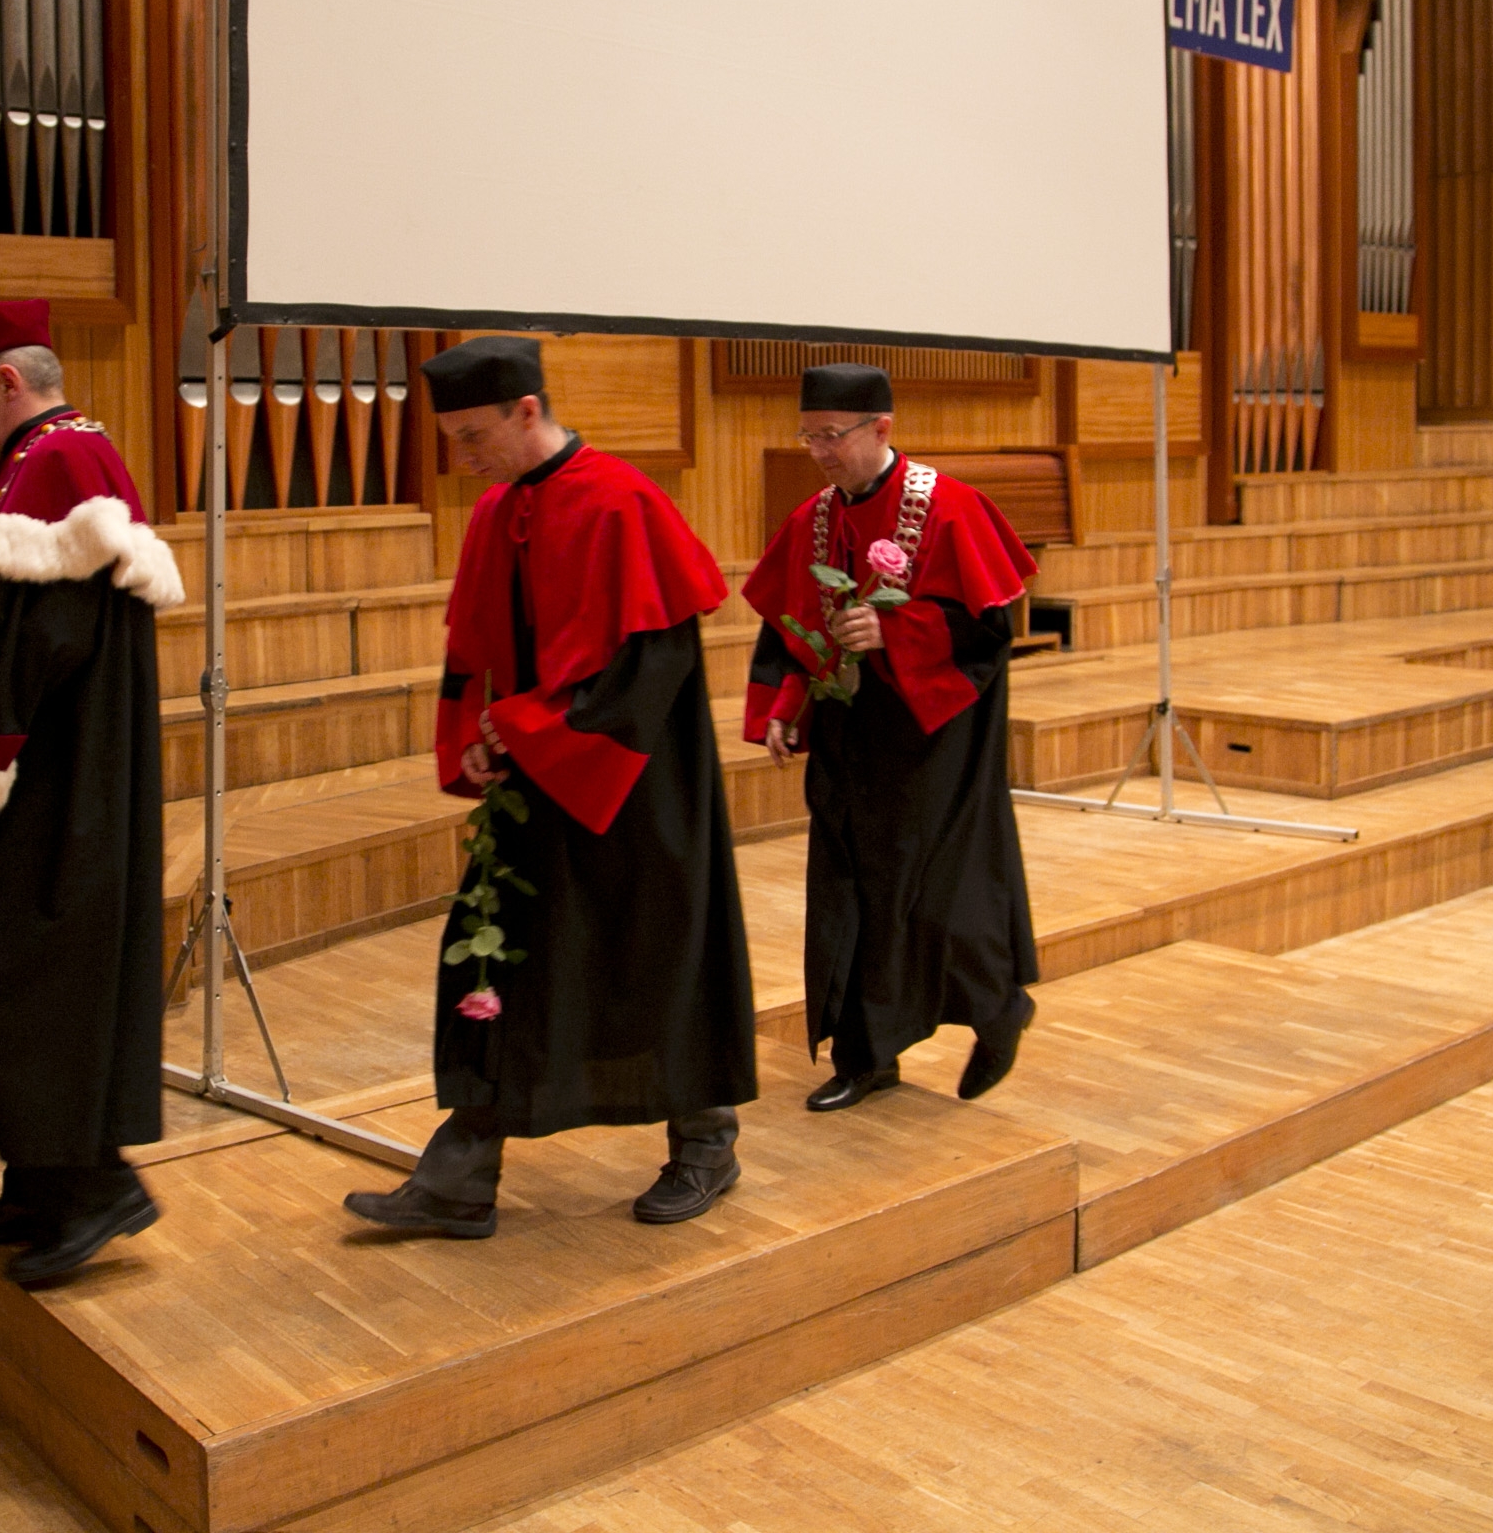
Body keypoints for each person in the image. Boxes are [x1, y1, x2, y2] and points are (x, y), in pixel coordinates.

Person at [344, 337, 757, 1236]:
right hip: (535, 778)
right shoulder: (498, 509)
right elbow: (472, 651)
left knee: (658, 952)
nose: (463, 458)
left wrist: (528, 731)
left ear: (527, 410)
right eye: (452, 439)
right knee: (496, 957)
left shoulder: (622, 500)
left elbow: (653, 670)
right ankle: (458, 1178)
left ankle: (706, 1141)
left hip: (636, 788)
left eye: (473, 436)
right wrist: (474, 738)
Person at [0, 298, 179, 1284]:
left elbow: (41, 637)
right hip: (57, 762)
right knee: (5, 964)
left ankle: (91, 1187)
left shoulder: (59, 463)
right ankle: (39, 1183)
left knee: (18, 967)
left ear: (7, 381)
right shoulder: (51, 457)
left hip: (52, 777)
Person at [741, 364, 1041, 1110]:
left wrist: (896, 631)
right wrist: (782, 706)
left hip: (932, 737)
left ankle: (997, 1006)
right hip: (848, 735)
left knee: (936, 893)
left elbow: (990, 632)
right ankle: (866, 1056)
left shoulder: (950, 507)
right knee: (848, 890)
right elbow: (786, 625)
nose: (819, 451)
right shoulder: (814, 517)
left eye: (831, 435)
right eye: (808, 436)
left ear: (881, 427)